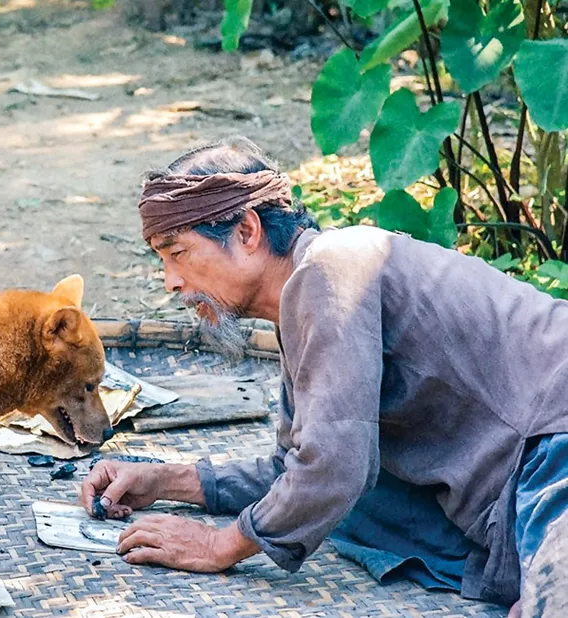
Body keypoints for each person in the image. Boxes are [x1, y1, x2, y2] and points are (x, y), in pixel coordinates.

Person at [80, 136, 568, 618]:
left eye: (177, 253)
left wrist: (218, 545)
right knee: (349, 511)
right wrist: (167, 480)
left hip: (554, 445)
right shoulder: (308, 297)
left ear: (247, 232)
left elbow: (334, 466)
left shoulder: (330, 268)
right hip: (516, 484)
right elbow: (296, 471)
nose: (170, 282)